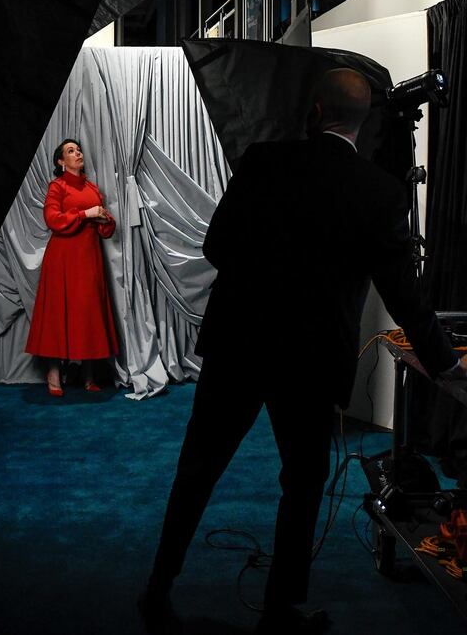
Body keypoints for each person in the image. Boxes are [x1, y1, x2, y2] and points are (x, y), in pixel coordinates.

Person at [138, 68, 466, 634]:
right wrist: (446, 364)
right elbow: (406, 298)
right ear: (363, 128)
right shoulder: (378, 194)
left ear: (314, 113)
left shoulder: (262, 162)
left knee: (197, 471)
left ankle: (157, 588)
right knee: (303, 482)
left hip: (238, 344)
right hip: (311, 362)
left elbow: (216, 246)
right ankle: (280, 609)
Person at [25, 138, 119, 395]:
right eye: (70, 151)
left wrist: (103, 218)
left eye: (78, 150)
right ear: (60, 161)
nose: (77, 153)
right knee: (59, 313)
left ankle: (89, 375)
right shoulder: (57, 186)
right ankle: (53, 375)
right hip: (63, 259)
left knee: (87, 313)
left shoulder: (92, 187)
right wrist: (84, 215)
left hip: (89, 259)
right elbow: (52, 219)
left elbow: (107, 229)